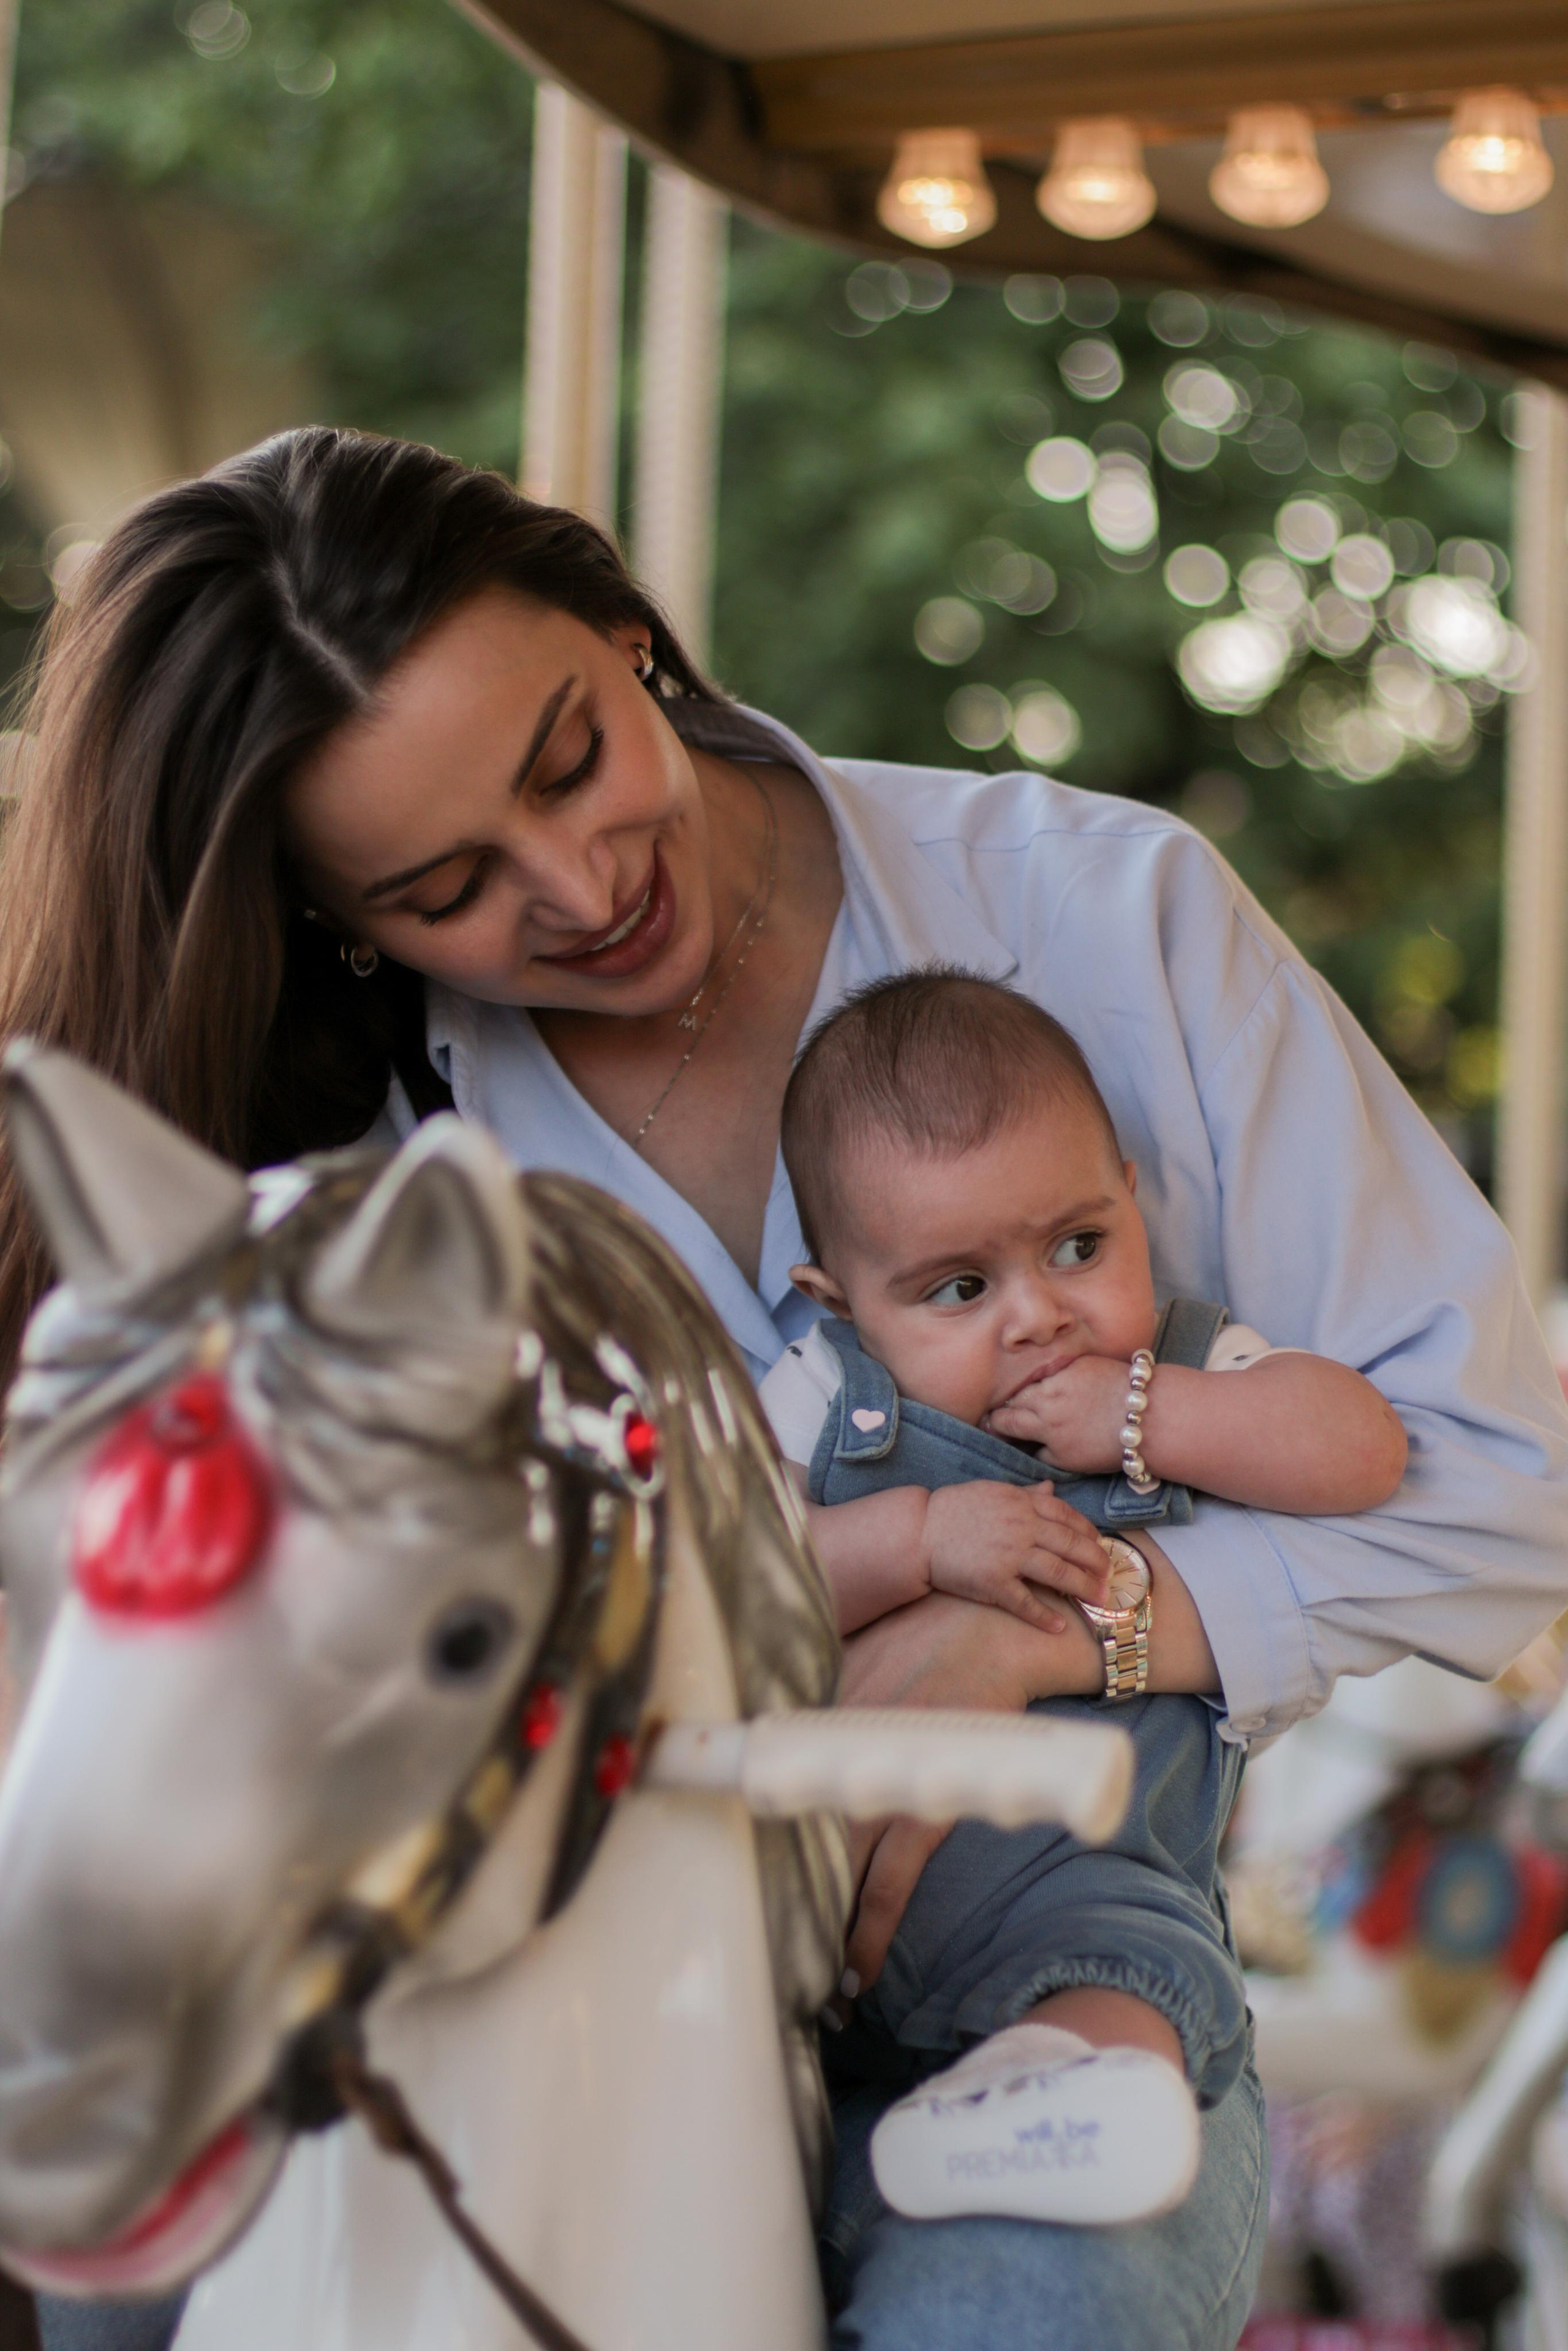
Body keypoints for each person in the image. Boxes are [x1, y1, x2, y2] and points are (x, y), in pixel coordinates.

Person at [2, 426, 1566, 2351]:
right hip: (512, 2014)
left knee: (1013, 2304)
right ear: (341, 923)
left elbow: (1504, 1482)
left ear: (618, 627)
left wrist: (1072, 1638)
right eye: (445, 885)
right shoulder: (360, 1146)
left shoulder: (1098, 915)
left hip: (1019, 1993)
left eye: (570, 756)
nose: (578, 886)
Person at [757, 967, 1406, 2232]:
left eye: (1077, 1245)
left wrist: (1153, 1412)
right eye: (958, 1289)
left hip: (1079, 1892)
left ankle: (1045, 2107)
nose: (1039, 1317)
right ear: (836, 1304)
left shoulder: (1175, 1360)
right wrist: (910, 1538)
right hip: (808, 1910)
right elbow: (729, 1580)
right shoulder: (821, 1402)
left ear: (1130, 1200)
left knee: (1134, 1988)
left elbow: (1360, 1450)